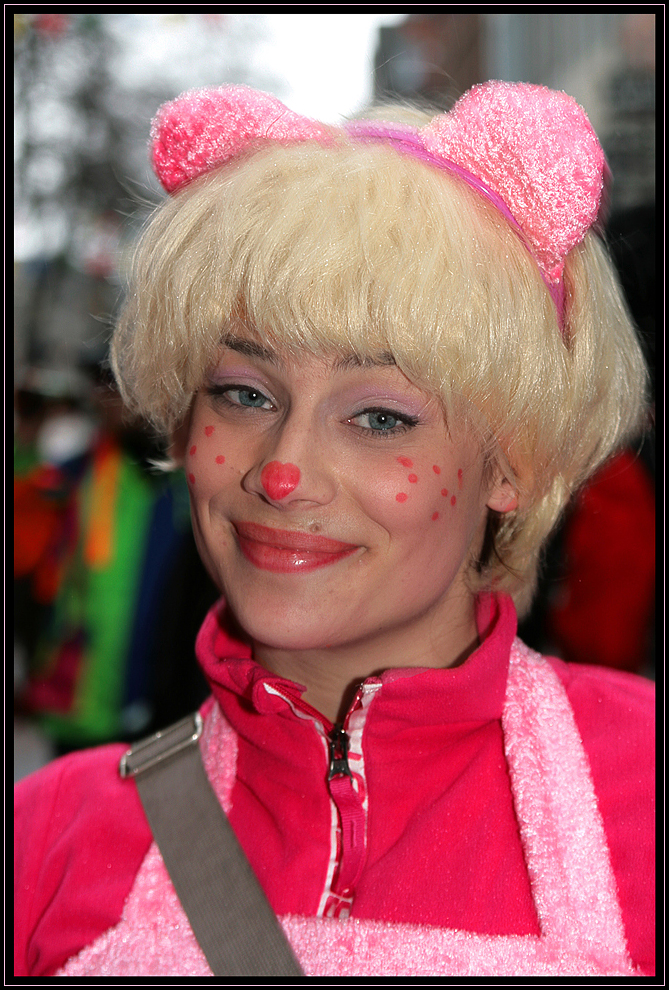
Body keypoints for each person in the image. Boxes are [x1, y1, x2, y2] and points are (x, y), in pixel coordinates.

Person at [14, 81, 654, 977]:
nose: (282, 473)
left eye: (379, 417)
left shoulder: (643, 786)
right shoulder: (46, 836)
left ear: (512, 461)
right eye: (243, 394)